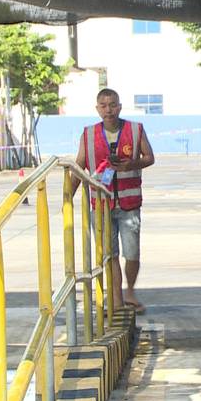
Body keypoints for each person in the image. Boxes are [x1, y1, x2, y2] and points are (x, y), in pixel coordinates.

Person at [74, 88, 155, 313]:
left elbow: (149, 157)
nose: (108, 110)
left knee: (132, 253)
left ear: (119, 107)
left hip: (129, 205)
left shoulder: (135, 129)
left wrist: (131, 164)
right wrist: (67, 196)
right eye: (103, 106)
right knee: (110, 255)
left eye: (112, 105)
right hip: (100, 205)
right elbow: (78, 165)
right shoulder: (88, 134)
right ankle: (117, 298)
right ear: (97, 108)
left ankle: (130, 290)